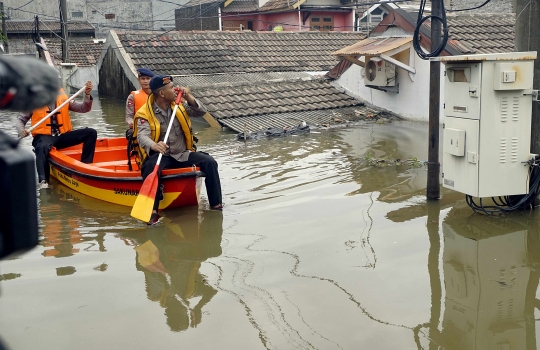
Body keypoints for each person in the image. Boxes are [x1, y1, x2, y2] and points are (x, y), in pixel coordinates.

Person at [134, 75, 223, 225]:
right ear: (162, 93)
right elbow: (141, 136)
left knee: (210, 162)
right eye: (171, 88)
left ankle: (216, 205)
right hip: (162, 156)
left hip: (182, 154)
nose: (176, 90)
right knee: (149, 167)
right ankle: (153, 212)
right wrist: (154, 145)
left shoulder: (179, 105)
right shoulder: (144, 113)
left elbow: (201, 111)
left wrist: (189, 97)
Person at [17, 81, 97, 189]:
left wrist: (87, 94)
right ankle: (43, 180)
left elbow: (84, 108)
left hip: (63, 136)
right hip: (44, 137)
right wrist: (22, 130)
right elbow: (20, 120)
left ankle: (85, 166)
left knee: (91, 133)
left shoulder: (63, 96)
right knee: (42, 147)